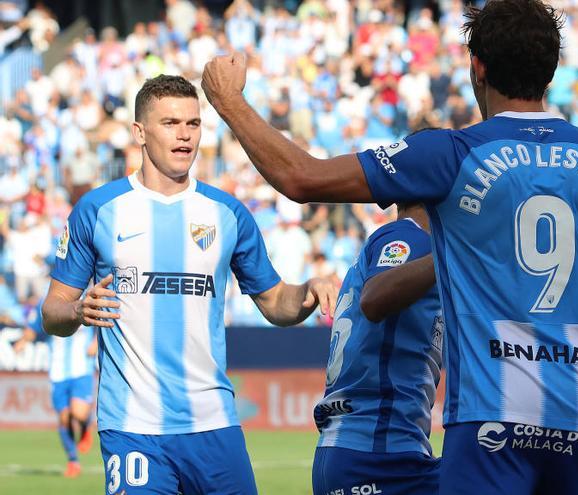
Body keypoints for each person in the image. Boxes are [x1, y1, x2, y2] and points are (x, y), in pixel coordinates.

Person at [201, 1, 578, 492]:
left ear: (476, 68)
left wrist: (228, 100)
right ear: (553, 70)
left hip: (490, 429)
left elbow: (301, 178)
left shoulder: (452, 154)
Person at [41, 75, 337, 495]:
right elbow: (52, 312)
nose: (184, 134)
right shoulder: (98, 209)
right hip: (132, 428)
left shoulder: (227, 213)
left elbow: (275, 302)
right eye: (170, 123)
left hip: (214, 423)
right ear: (139, 133)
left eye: (193, 124)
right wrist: (76, 310)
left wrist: (305, 291)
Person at [313, 201, 442, 495]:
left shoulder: (406, 242)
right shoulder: (409, 238)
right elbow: (375, 298)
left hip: (361, 451)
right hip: (378, 455)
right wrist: (454, 254)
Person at [14, 298, 97, 478]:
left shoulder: (88, 297)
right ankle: (73, 461)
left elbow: (103, 322)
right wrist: (22, 342)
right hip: (58, 371)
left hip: (81, 368)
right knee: (64, 418)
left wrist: (96, 342)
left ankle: (85, 426)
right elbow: (34, 328)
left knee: (79, 413)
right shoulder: (47, 301)